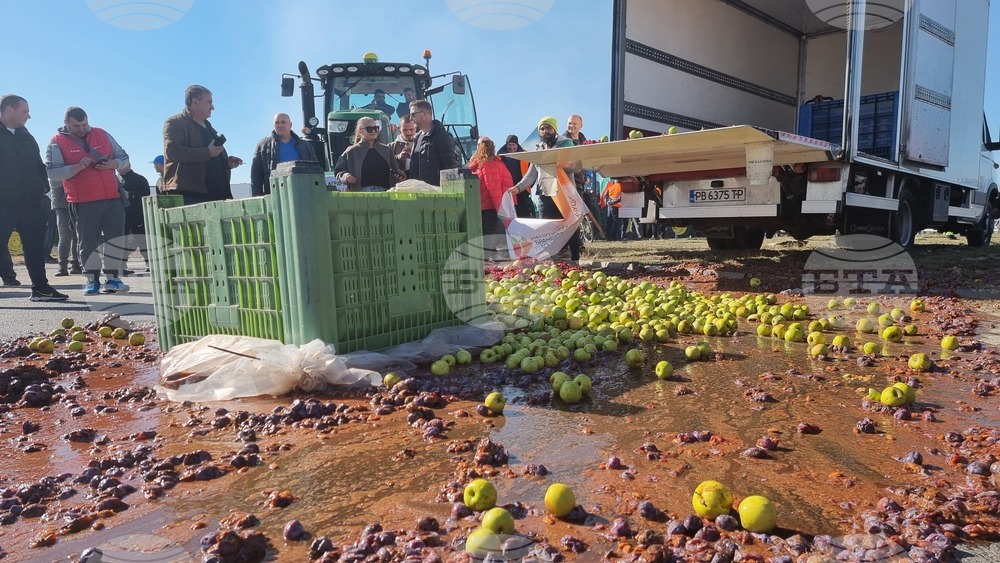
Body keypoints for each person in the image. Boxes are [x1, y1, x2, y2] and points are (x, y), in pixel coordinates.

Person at [46, 106, 131, 295]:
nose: (82, 128)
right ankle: (92, 280)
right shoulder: (56, 142)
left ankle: (113, 279)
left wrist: (113, 164)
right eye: (77, 126)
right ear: (66, 123)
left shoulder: (102, 134)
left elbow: (124, 158)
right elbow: (52, 173)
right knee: (87, 241)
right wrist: (76, 167)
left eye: (85, 124)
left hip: (112, 198)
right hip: (82, 201)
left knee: (115, 239)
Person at [0, 94, 68, 302]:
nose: (29, 116)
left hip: (30, 204)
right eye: (25, 111)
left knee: (35, 248)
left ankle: (41, 288)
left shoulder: (26, 136)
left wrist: (41, 188)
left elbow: (38, 165)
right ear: (9, 110)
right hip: (3, 205)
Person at [509, 116, 582, 261]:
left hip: (564, 195)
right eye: (542, 129)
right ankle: (552, 261)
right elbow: (531, 175)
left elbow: (577, 168)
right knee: (547, 231)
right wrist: (517, 188)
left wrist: (559, 162)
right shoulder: (538, 149)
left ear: (555, 129)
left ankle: (575, 259)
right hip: (545, 195)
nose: (545, 131)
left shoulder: (566, 144)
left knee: (571, 227)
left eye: (548, 128)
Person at [162, 85, 243, 204]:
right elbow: (172, 151)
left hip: (216, 195)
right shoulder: (175, 123)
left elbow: (209, 159)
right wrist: (207, 152)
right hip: (190, 196)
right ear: (195, 102)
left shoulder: (209, 127)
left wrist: (225, 163)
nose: (213, 107)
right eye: (209, 102)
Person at [250, 112, 318, 196]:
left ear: (290, 125)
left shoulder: (306, 146)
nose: (280, 125)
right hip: (275, 194)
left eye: (283, 122)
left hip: (303, 193)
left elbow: (315, 171)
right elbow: (256, 174)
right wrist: (258, 198)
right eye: (277, 123)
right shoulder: (263, 145)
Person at [467, 137, 514, 259]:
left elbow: (491, 187)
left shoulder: (479, 164)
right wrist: (502, 210)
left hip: (484, 206)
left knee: (486, 236)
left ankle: (486, 262)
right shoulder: (496, 163)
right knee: (490, 236)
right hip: (493, 206)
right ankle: (487, 261)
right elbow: (496, 188)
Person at [333, 116, 403, 191]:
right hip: (360, 196)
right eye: (369, 129)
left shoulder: (387, 150)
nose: (373, 131)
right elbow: (338, 171)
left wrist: (400, 176)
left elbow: (396, 172)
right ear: (360, 131)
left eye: (376, 128)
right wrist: (345, 176)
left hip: (386, 194)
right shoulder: (351, 152)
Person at [407, 99, 458, 186]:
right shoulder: (417, 138)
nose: (410, 118)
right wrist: (405, 174)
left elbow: (450, 167)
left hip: (437, 194)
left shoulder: (442, 136)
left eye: (413, 115)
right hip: (419, 193)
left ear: (424, 114)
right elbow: (416, 169)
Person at [118, 164, 151, 272]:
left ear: (129, 166)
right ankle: (122, 264)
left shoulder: (140, 179)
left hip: (137, 214)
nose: (119, 168)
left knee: (142, 239)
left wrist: (131, 195)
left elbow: (145, 195)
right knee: (122, 240)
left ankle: (148, 262)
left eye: (122, 165)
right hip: (121, 214)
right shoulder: (116, 179)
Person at [497, 134, 534, 218]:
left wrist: (528, 186)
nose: (511, 147)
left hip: (522, 192)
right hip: (507, 192)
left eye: (514, 145)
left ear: (517, 145)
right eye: (509, 145)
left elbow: (532, 172)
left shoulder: (525, 155)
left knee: (524, 217)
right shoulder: (500, 157)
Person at [50, 178, 81, 276]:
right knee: (64, 237)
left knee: (76, 236)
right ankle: (62, 266)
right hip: (61, 205)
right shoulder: (55, 166)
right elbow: (56, 183)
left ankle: (75, 264)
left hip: (76, 203)